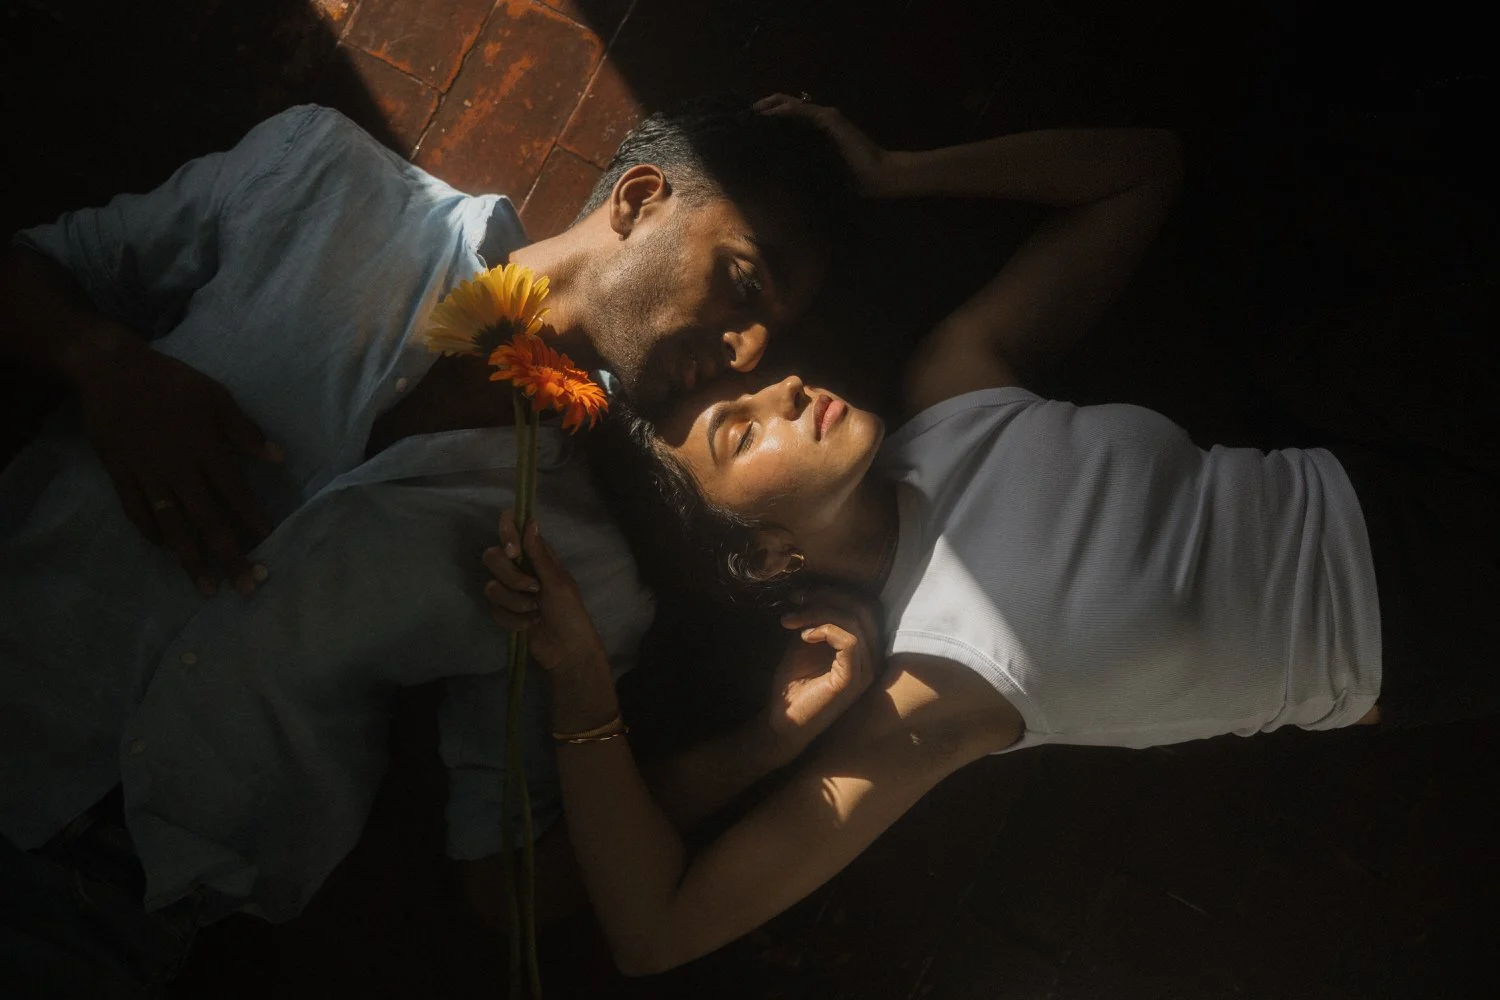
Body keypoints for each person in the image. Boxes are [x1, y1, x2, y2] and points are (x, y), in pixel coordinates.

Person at [481, 96, 1499, 974]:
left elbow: (1141, 172)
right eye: (743, 427)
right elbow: (654, 929)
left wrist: (895, 173)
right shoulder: (935, 686)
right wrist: (582, 683)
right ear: (767, 555)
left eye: (762, 380)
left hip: (1385, 447)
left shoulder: (956, 390)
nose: (783, 380)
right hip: (1424, 620)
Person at [0, 94, 852, 994]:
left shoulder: (585, 569)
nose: (751, 349)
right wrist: (103, 362)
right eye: (745, 280)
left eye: (772, 329)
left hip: (106, 911)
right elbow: (31, 267)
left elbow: (505, 880)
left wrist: (765, 745)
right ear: (641, 199)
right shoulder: (319, 178)